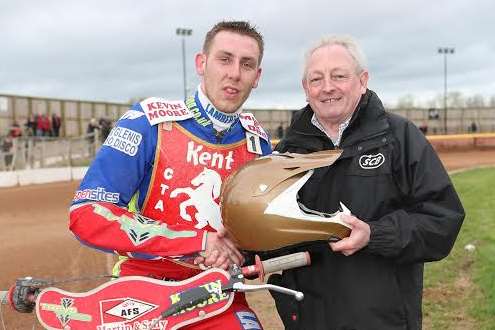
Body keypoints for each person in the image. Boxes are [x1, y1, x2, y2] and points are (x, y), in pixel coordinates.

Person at [69, 21, 271, 329]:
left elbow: (257, 233)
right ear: (201, 63)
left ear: (256, 77)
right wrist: (195, 241)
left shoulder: (258, 143)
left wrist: (247, 254)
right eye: (224, 59)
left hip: (219, 295)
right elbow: (87, 215)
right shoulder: (148, 122)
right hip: (143, 291)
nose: (234, 73)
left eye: (247, 64)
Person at [269, 36, 465, 330]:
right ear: (305, 88)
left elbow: (443, 221)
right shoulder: (286, 152)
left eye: (339, 76)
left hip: (381, 320)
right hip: (309, 318)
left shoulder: (399, 137)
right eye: (316, 78)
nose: (327, 87)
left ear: (362, 80)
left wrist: (375, 234)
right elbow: (273, 235)